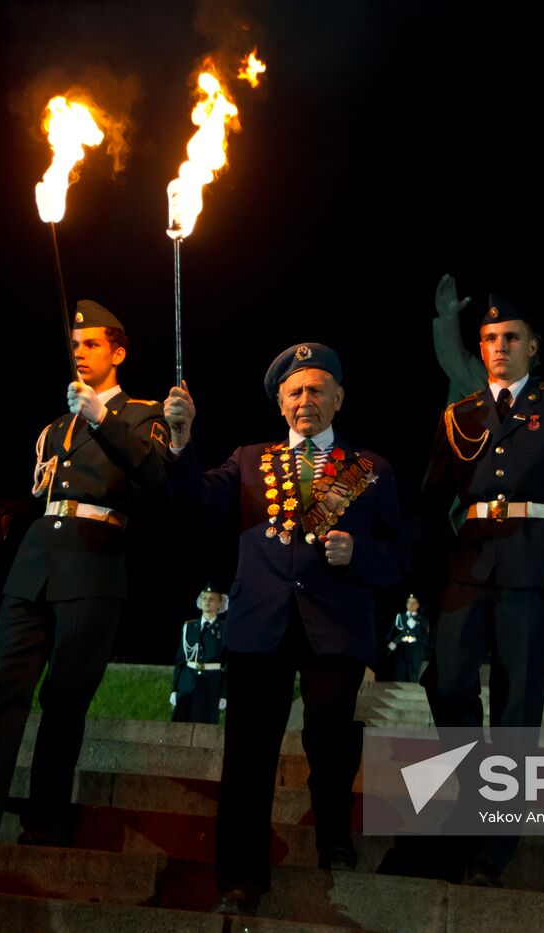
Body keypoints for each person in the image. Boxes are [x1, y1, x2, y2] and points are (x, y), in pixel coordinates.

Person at [163, 343, 410, 916]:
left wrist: (360, 553)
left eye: (317, 389)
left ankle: (333, 837)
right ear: (280, 403)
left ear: (339, 398)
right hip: (260, 624)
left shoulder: (367, 468)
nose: (306, 400)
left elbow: (399, 555)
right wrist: (180, 441)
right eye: (295, 392)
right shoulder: (250, 459)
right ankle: (242, 876)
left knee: (328, 738)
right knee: (248, 752)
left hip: (337, 626)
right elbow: (194, 499)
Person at [0, 300, 169, 853]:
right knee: (6, 685)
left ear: (118, 352)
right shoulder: (55, 427)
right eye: (75, 345)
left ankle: (46, 820)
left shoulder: (141, 415)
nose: (79, 353)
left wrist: (101, 420)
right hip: (36, 561)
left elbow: (153, 473)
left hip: (94, 558)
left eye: (92, 344)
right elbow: (26, 500)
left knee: (64, 696)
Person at [419, 295, 544, 886]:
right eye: (491, 338)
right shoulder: (461, 415)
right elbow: (430, 501)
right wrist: (422, 576)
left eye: (512, 337)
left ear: (532, 346)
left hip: (535, 567)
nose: (501, 346)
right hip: (468, 566)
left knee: (518, 708)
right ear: (481, 347)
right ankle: (477, 795)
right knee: (445, 682)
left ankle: (494, 846)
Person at [170, 585, 228, 724]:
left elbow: (228, 664)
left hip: (211, 684)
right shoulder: (189, 626)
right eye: (204, 598)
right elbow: (181, 660)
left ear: (220, 604)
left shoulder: (225, 628)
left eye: (212, 599)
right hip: (187, 682)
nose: (207, 602)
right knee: (179, 723)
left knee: (204, 725)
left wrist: (224, 694)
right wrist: (174, 689)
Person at [385, 594, 426, 683]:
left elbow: (425, 637)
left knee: (413, 676)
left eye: (413, 603)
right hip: (401, 650)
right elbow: (391, 634)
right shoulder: (400, 617)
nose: (411, 605)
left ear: (418, 605)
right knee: (399, 676)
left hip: (415, 651)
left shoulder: (422, 620)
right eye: (409, 603)